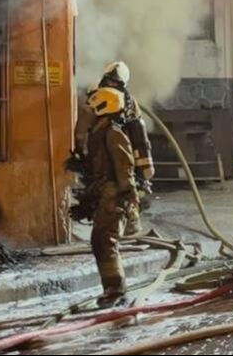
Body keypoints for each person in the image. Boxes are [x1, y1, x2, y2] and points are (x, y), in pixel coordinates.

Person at [86, 87, 139, 307]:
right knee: (98, 241)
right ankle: (111, 288)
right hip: (103, 194)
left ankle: (117, 291)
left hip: (113, 195)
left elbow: (124, 165)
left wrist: (129, 193)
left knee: (106, 241)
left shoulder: (113, 132)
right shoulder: (100, 130)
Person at [99, 62, 155, 235]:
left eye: (116, 83)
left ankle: (130, 221)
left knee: (127, 186)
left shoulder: (130, 103)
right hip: (104, 149)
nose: (112, 86)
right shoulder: (97, 97)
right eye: (109, 81)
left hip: (123, 151)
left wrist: (141, 164)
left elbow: (137, 132)